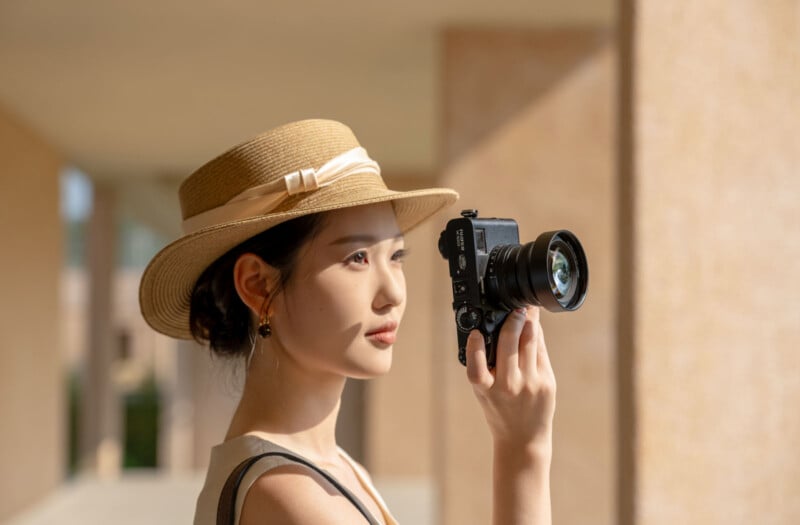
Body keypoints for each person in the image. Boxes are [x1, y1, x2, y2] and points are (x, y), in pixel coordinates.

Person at [139, 119, 556, 525]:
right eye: (357, 258)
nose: (392, 293)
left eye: (396, 257)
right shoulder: (292, 497)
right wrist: (523, 451)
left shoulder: (331, 470)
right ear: (258, 285)